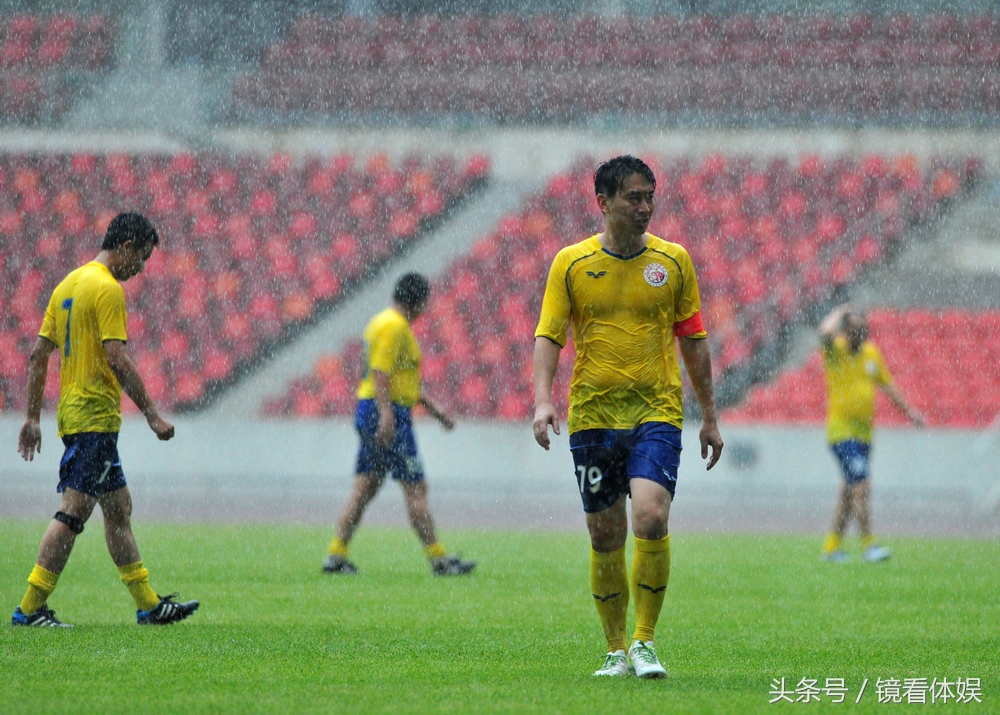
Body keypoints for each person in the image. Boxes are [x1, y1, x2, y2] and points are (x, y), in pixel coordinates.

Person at [532, 155, 723, 678]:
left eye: (649, 196)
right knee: (604, 535)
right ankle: (615, 649)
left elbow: (694, 341)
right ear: (603, 202)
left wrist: (708, 415)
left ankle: (644, 641)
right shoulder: (570, 264)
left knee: (651, 517)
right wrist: (543, 399)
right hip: (592, 415)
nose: (645, 207)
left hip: (655, 411)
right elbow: (549, 334)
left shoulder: (674, 262)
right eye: (634, 197)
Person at [12, 212, 199, 627]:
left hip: (74, 415)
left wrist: (32, 417)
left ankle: (149, 605)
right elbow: (116, 356)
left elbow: (39, 355)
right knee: (74, 510)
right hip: (95, 416)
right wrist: (151, 414)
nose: (141, 269)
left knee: (118, 507)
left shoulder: (68, 284)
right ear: (127, 247)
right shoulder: (107, 290)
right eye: (143, 258)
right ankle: (29, 608)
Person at [323, 272, 475, 577]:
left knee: (366, 485)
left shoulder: (380, 322)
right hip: (387, 411)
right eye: (425, 302)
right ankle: (439, 559)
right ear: (417, 302)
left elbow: (398, 377)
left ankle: (336, 554)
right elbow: (381, 371)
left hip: (373, 408)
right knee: (415, 485)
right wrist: (388, 415)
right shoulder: (395, 327)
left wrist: (434, 411)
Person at [818, 304, 924, 563]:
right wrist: (841, 311)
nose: (857, 335)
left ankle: (832, 547)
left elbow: (888, 386)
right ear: (845, 332)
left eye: (861, 330)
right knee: (862, 485)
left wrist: (910, 412)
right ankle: (869, 544)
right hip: (842, 432)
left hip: (864, 434)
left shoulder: (871, 354)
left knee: (848, 490)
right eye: (852, 330)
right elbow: (823, 333)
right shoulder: (836, 352)